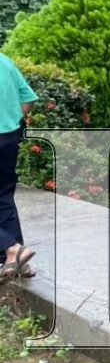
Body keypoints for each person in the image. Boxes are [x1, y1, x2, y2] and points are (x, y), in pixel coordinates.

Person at [0, 52, 36, 282]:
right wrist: (10, 120)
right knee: (3, 197)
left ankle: (10, 247)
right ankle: (17, 263)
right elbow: (28, 99)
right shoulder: (4, 61)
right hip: (8, 139)